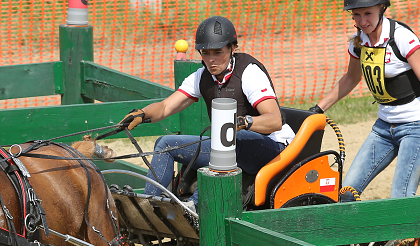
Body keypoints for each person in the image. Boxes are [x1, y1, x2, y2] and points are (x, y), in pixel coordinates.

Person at [119, 15, 296, 208]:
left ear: (232, 48)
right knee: (164, 144)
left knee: (231, 140)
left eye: (218, 52)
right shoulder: (202, 76)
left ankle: (193, 208)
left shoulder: (249, 72)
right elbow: (165, 107)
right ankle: (149, 207)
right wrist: (142, 114)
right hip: (230, 145)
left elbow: (274, 120)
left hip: (274, 147)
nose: (211, 60)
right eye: (205, 53)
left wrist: (244, 122)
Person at [310, 0, 420, 201]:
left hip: (414, 126)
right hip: (383, 128)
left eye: (368, 13)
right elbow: (351, 79)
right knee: (346, 193)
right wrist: (317, 109)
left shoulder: (401, 37)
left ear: (382, 8)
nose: (362, 21)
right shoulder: (359, 41)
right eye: (356, 15)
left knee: (400, 198)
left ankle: (408, 237)